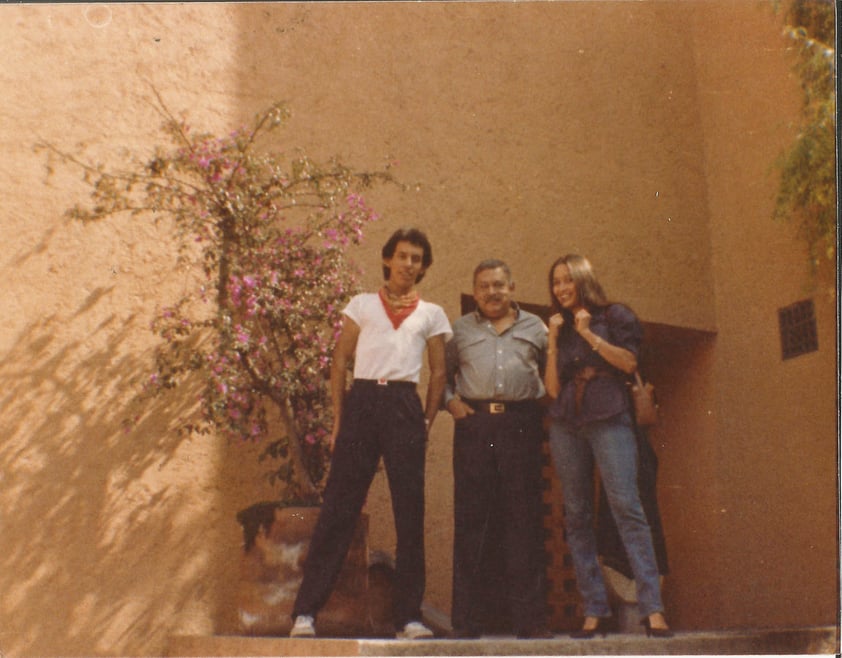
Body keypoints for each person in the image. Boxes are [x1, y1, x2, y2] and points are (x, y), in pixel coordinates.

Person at [289, 227, 452, 640]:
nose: (408, 264)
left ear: (424, 267)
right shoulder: (361, 304)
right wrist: (341, 420)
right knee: (338, 508)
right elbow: (340, 362)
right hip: (362, 401)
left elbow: (439, 373)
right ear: (387, 260)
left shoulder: (431, 313)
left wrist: (427, 422)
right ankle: (306, 613)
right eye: (402, 256)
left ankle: (409, 618)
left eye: (416, 258)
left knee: (409, 513)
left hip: (403, 406)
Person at [544, 254, 673, 639]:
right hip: (567, 422)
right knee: (577, 515)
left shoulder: (616, 316)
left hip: (610, 415)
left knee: (627, 508)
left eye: (568, 280)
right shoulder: (560, 328)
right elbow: (551, 389)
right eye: (556, 283)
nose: (562, 289)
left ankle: (653, 609)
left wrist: (589, 336)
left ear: (583, 280)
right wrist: (552, 341)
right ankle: (594, 610)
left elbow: (629, 362)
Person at [444, 259, 553, 640]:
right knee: (472, 520)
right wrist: (450, 402)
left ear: (512, 288)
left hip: (521, 425)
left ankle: (530, 621)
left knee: (523, 519)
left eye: (499, 285)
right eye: (484, 286)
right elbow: (442, 374)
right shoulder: (459, 330)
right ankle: (467, 621)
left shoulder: (535, 328)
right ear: (475, 292)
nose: (492, 292)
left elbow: (550, 372)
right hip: (476, 425)